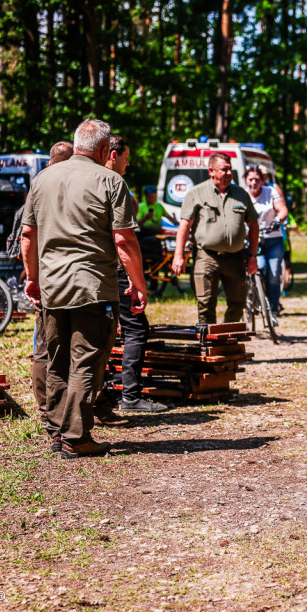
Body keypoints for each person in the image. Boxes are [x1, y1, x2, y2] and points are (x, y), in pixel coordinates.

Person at [21, 118, 147, 459]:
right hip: (93, 288)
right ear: (105, 150)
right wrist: (138, 284)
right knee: (86, 361)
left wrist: (32, 277)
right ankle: (76, 438)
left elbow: (28, 236)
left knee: (57, 360)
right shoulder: (110, 180)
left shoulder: (43, 178)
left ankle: (57, 432)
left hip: (52, 287)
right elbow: (123, 240)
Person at [104, 134, 166, 414]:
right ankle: (129, 396)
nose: (128, 164)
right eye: (127, 158)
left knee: (97, 333)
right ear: (113, 154)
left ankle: (102, 393)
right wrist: (136, 279)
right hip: (114, 271)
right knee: (136, 329)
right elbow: (125, 240)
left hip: (89, 274)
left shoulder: (80, 181)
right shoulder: (116, 184)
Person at [172, 153, 259, 325]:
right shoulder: (196, 193)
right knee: (205, 304)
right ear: (211, 171)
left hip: (235, 258)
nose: (229, 173)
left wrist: (252, 256)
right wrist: (178, 255)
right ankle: (208, 344)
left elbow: (254, 225)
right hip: (207, 257)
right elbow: (184, 226)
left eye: (230, 169)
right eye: (224, 169)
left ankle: (225, 336)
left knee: (238, 303)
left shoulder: (241, 194)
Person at [23, 141, 74, 426]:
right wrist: (33, 278)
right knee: (48, 348)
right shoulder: (57, 186)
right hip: (56, 278)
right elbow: (29, 235)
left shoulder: (39, 185)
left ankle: (50, 411)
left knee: (46, 345)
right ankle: (50, 412)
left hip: (47, 276)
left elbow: (26, 236)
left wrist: (31, 275)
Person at [246, 165, 287, 324]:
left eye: (257, 179)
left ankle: (273, 310)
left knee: (274, 274)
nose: (253, 183)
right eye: (250, 179)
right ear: (246, 180)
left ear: (262, 180)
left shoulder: (271, 192)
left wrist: (278, 220)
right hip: (253, 240)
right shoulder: (242, 194)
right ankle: (258, 302)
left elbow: (282, 210)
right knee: (260, 268)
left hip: (272, 238)